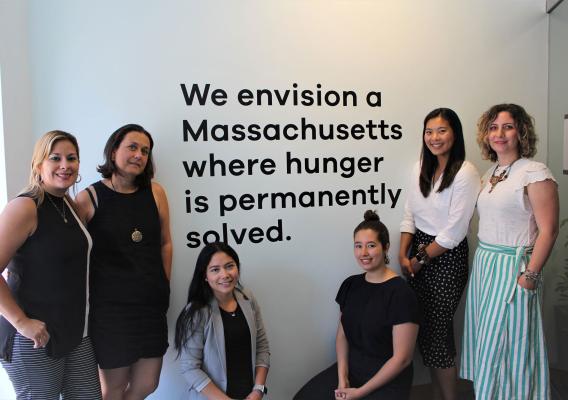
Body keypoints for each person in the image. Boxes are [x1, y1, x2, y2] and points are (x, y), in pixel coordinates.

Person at [460, 104, 559, 399]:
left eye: (507, 126)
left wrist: (529, 276)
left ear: (521, 131)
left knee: (510, 345)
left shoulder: (534, 172)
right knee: (488, 345)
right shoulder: (493, 171)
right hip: (486, 265)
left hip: (513, 268)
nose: (499, 134)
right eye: (493, 127)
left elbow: (549, 230)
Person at [0, 131, 101, 399]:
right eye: (55, 158)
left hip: (75, 334)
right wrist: (21, 322)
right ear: (38, 165)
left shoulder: (67, 204)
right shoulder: (25, 207)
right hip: (33, 337)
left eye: (72, 158)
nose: (65, 165)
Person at [76, 124, 172, 399]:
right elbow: (74, 253)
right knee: (113, 389)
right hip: (110, 312)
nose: (139, 155)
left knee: (148, 383)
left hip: (150, 306)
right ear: (114, 150)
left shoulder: (156, 193)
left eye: (145, 151)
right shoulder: (89, 197)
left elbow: (165, 242)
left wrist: (163, 283)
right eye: (132, 147)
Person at [398, 108, 480, 400]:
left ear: (454, 134)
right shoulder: (420, 165)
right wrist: (402, 252)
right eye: (429, 131)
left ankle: (449, 396)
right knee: (426, 332)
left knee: (438, 332)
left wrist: (418, 261)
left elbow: (454, 232)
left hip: (446, 257)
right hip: (417, 249)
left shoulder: (465, 172)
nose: (434, 137)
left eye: (442, 130)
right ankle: (437, 394)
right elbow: (410, 212)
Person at [294, 210, 420, 400]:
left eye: (371, 246)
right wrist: (342, 379)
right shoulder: (350, 285)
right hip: (354, 368)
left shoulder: (401, 293)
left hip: (388, 378)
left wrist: (360, 392)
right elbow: (342, 336)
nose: (363, 253)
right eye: (358, 246)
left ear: (386, 248)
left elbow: (402, 359)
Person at [174, 242, 270, 400]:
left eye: (229, 266)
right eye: (215, 270)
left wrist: (258, 390)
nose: (225, 274)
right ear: (205, 275)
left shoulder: (247, 297)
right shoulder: (197, 311)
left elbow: (262, 346)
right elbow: (190, 368)